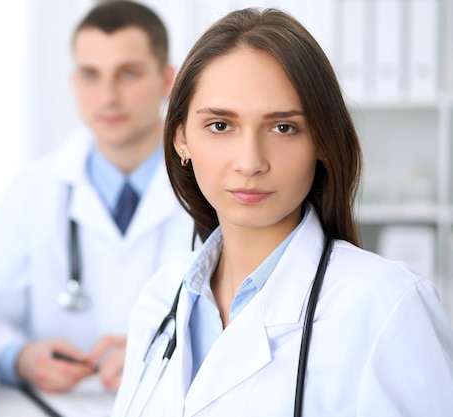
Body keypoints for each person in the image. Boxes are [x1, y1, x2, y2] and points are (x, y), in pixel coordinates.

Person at [113, 7, 453, 417]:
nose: (250, 162)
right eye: (220, 125)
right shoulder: (159, 301)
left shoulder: (388, 307)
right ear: (181, 139)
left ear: (323, 142)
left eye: (283, 127)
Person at [0, 0, 193, 396]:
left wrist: (170, 349)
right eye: (90, 75)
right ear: (73, 81)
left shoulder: (209, 189)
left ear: (167, 79)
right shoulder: (33, 190)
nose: (107, 96)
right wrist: (20, 357)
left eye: (129, 73)